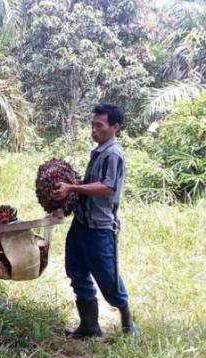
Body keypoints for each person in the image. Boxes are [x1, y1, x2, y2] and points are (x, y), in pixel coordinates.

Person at [51, 103, 139, 338]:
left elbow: (108, 187)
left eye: (99, 126)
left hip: (100, 228)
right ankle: (89, 326)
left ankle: (129, 324)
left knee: (107, 277)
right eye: (92, 125)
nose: (93, 130)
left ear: (115, 127)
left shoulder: (113, 154)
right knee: (76, 271)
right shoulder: (99, 151)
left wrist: (72, 187)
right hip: (81, 225)